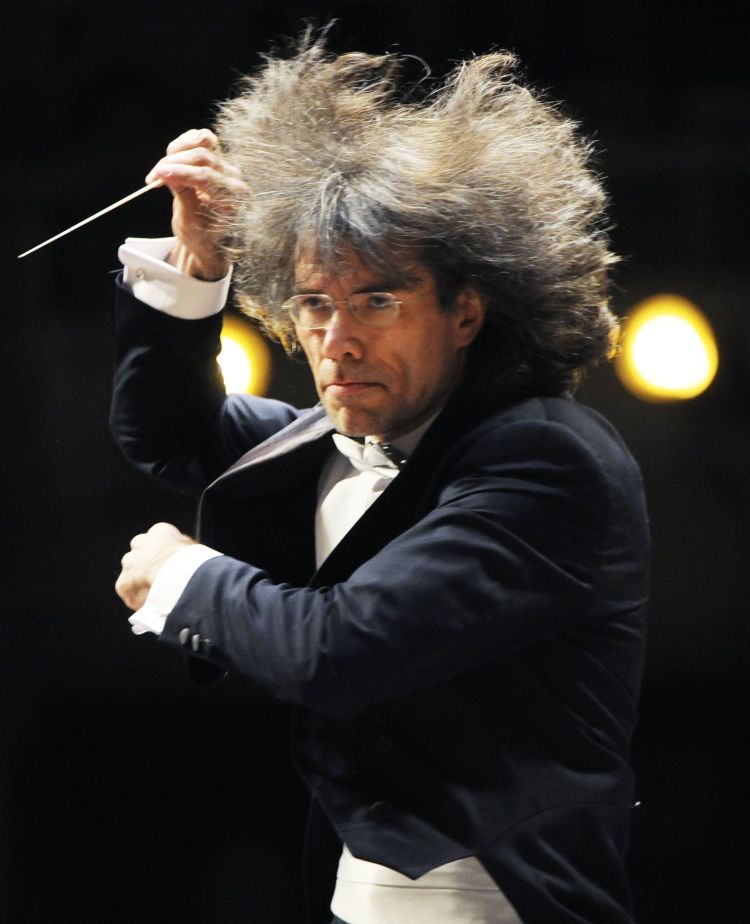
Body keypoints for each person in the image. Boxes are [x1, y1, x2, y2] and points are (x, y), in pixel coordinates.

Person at [113, 34, 648, 924]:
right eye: (315, 305)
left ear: (466, 311)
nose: (339, 341)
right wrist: (201, 264)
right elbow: (169, 430)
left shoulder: (551, 458)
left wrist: (183, 577)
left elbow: (336, 650)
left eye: (377, 301)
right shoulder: (335, 438)